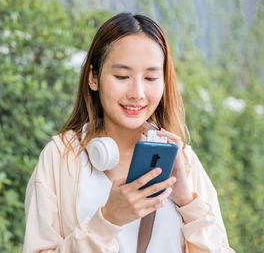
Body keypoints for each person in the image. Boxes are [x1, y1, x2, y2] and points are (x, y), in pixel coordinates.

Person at [23, 13, 234, 253]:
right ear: (93, 78)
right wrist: (107, 220)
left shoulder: (183, 161)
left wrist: (187, 201)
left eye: (151, 77)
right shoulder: (61, 157)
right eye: (122, 76)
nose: (137, 92)